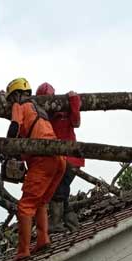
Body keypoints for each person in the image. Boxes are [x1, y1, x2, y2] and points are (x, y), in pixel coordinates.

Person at [4, 77, 67, 261]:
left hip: (43, 158)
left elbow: (14, 127)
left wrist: (6, 149)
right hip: (59, 158)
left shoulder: (19, 106)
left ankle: (23, 251)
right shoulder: (38, 109)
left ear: (15, 95)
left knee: (25, 206)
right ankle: (42, 240)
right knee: (41, 201)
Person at [36, 82, 82, 233]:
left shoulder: (64, 111)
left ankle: (55, 222)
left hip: (70, 160)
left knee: (59, 191)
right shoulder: (43, 118)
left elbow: (76, 122)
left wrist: (74, 100)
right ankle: (73, 226)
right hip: (58, 161)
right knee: (62, 194)